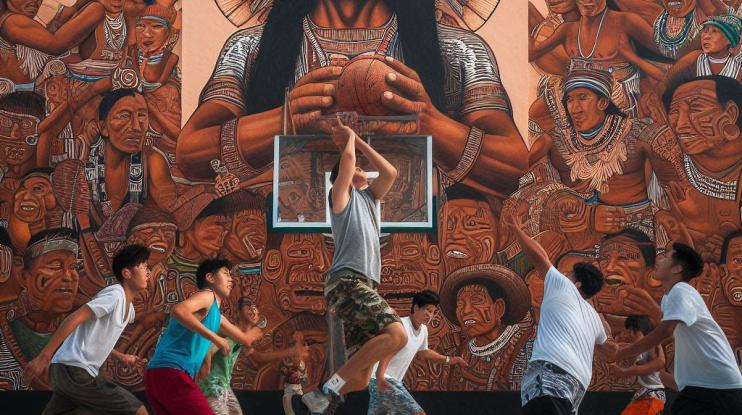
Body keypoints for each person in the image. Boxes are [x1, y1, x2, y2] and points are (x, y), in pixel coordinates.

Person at [298, 117, 406, 414]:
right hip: (346, 282)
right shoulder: (340, 197)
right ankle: (327, 389)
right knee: (398, 334)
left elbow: (391, 171)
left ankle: (319, 396)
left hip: (364, 285)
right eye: (357, 168)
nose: (362, 169)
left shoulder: (370, 199)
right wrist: (348, 138)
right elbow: (346, 159)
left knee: (358, 379)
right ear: (342, 178)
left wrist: (357, 139)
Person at [505, 213, 618, 414]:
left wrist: (517, 230)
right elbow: (610, 350)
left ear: (577, 283)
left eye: (568, 273)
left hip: (551, 378)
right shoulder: (594, 317)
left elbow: (540, 257)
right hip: (576, 387)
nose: (562, 274)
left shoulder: (563, 286)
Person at [23, 244, 152, 415]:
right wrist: (44, 357)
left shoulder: (129, 310)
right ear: (126, 273)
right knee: (139, 411)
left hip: (69, 372)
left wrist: (122, 357)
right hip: (75, 370)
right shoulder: (115, 296)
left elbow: (96, 339)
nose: (147, 272)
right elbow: (74, 318)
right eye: (143, 266)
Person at [615, 243, 742, 414]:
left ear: (676, 269)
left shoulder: (681, 291)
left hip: (715, 388)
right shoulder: (671, 298)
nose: (659, 260)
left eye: (666, 257)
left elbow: (665, 331)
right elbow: (669, 333)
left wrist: (621, 353)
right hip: (703, 389)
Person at [144, 258, 262, 415]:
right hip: (171, 371)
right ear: (210, 278)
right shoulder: (207, 296)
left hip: (159, 374)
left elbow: (245, 339)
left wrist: (256, 331)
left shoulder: (218, 318)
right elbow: (179, 311)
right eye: (225, 273)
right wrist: (215, 338)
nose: (230, 279)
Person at [198, 297, 308, 415]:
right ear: (237, 312)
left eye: (255, 307)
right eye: (247, 305)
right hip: (212, 387)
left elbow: (260, 358)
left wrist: (291, 352)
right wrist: (205, 374)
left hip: (224, 387)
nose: (253, 308)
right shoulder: (228, 331)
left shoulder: (243, 340)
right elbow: (206, 351)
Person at [368, 290, 466, 415]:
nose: (430, 315)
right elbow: (387, 351)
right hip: (383, 379)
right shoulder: (402, 326)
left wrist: (449, 360)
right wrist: (380, 376)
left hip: (388, 380)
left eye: (433, 312)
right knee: (418, 413)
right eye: (427, 310)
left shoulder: (423, 330)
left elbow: (423, 352)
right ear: (415, 308)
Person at [611, 316, 666, 415]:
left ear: (643, 331)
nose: (630, 334)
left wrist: (625, 372)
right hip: (644, 396)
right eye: (628, 331)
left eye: (633, 331)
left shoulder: (651, 344)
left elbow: (660, 362)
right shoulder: (638, 350)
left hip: (652, 395)